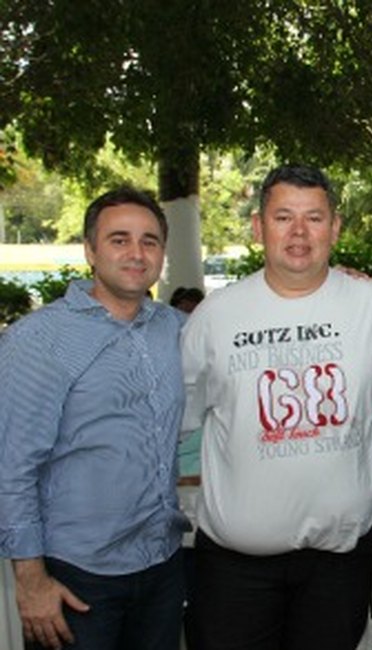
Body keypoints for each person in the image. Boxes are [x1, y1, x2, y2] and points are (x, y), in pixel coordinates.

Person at [180, 164, 372, 650]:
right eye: (283, 216)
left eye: (314, 218)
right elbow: (182, 418)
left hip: (338, 568)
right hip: (234, 573)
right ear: (258, 226)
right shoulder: (214, 317)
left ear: (335, 227)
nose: (298, 232)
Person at [0, 187, 188, 650]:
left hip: (162, 567)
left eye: (149, 241)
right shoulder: (37, 340)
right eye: (119, 239)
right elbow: (13, 467)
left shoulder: (176, 329)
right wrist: (30, 580)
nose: (136, 253)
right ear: (90, 249)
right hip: (76, 578)